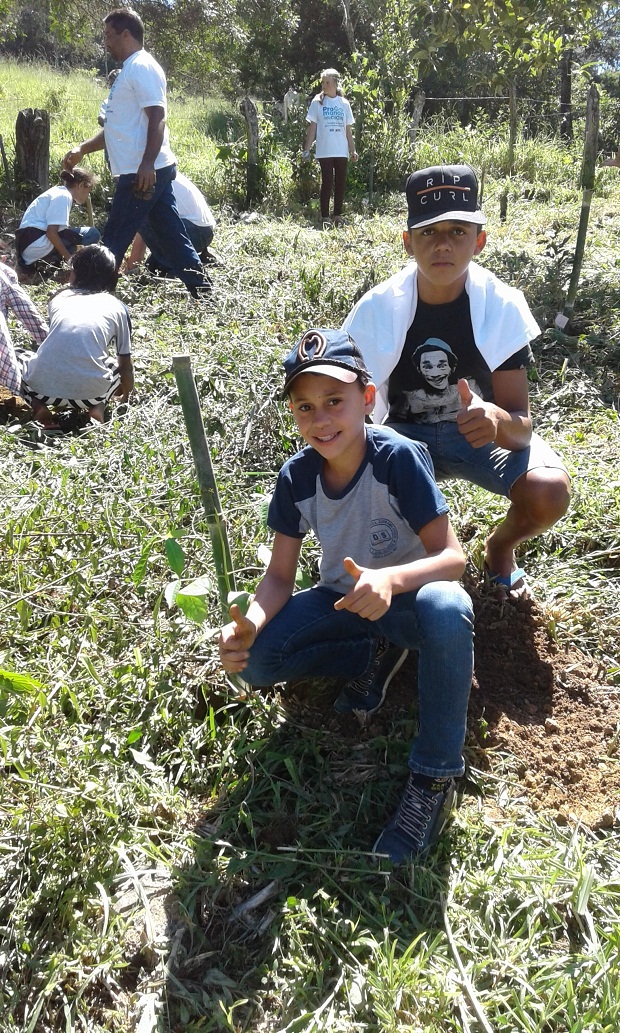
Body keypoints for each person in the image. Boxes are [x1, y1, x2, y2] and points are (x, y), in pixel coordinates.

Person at [219, 328, 474, 863]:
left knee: (448, 607)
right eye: (305, 407)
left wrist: (390, 581)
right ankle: (372, 656)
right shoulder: (296, 477)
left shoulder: (398, 457)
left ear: (367, 398)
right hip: (342, 600)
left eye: (335, 401)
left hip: (407, 605)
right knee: (258, 662)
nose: (321, 419)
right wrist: (253, 622)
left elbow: (453, 558)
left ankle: (433, 777)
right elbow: (280, 578)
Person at [343, 163, 571, 598]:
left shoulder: (501, 306)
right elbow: (356, 414)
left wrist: (497, 421)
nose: (443, 245)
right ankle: (403, 566)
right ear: (407, 242)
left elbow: (522, 423)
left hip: (478, 439)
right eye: (428, 232)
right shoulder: (376, 311)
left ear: (479, 241)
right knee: (352, 481)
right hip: (402, 437)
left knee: (549, 492)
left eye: (458, 231)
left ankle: (499, 550)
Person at [62, 8, 211, 299]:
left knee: (115, 237)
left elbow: (158, 116)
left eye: (108, 35)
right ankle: (203, 291)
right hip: (145, 168)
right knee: (172, 236)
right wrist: (83, 149)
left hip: (141, 172)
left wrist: (147, 163)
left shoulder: (142, 66)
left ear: (126, 34)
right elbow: (120, 128)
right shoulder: (129, 69)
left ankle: (91, 297)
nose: (105, 42)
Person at [0, 244, 133, 430]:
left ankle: (39, 407)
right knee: (114, 366)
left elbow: (55, 340)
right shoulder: (118, 307)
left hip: (42, 390)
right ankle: (97, 408)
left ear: (76, 274)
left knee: (16, 356)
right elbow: (125, 367)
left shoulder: (59, 298)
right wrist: (126, 396)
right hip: (92, 393)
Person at [122, 171, 216, 273]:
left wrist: (131, 268)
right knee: (152, 267)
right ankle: (197, 260)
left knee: (141, 216)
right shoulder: (160, 169)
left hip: (196, 231)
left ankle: (184, 269)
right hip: (202, 229)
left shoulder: (145, 180)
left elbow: (143, 224)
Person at [15, 168, 100, 277]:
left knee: (72, 234)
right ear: (81, 185)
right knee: (92, 233)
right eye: (88, 191)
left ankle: (49, 263)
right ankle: (71, 267)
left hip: (29, 247)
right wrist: (69, 259)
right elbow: (51, 233)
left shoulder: (58, 191)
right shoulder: (64, 196)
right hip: (37, 244)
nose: (88, 195)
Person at [302, 68, 358, 227]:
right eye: (323, 82)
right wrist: (306, 150)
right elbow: (312, 128)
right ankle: (325, 216)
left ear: (335, 83)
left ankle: (337, 215)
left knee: (340, 182)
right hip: (325, 150)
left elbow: (348, 130)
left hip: (341, 150)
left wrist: (352, 150)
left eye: (327, 82)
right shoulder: (317, 102)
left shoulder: (344, 104)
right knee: (327, 182)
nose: (324, 85)